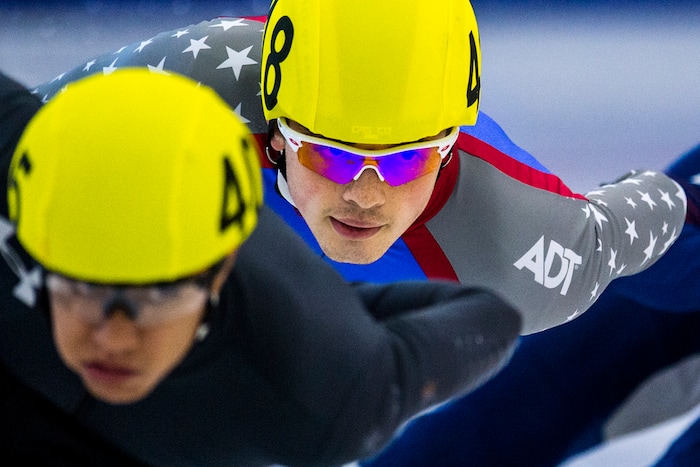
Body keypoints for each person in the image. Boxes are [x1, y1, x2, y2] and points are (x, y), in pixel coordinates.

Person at [22, 1, 697, 464]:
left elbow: (653, 222)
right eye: (331, 153)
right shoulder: (182, 91)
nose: (364, 194)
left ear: (447, 148)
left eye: (405, 159)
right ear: (276, 132)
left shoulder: (520, 246)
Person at [0, 68, 524, 466]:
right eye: (81, 285)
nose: (113, 339)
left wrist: (330, 311)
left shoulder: (323, 390)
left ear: (222, 271)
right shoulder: (18, 150)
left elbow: (488, 315)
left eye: (157, 295)